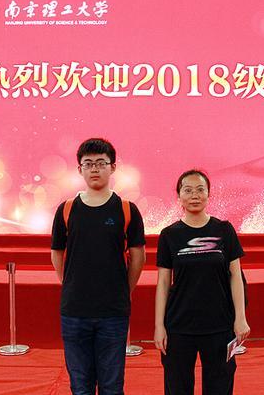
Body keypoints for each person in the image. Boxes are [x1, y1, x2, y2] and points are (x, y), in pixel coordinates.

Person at [51, 138, 146, 395]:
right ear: (79, 169)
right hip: (74, 311)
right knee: (80, 386)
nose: (95, 169)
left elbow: (138, 256)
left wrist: (125, 289)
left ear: (113, 167)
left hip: (113, 311)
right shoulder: (67, 210)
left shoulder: (126, 209)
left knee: (112, 386)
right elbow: (57, 252)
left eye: (101, 163)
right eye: (88, 163)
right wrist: (68, 283)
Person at [154, 169, 250, 395]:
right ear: (179, 197)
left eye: (200, 189)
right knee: (177, 387)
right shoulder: (169, 235)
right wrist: (159, 326)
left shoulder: (224, 230)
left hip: (220, 324)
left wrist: (240, 318)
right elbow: (163, 283)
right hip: (179, 325)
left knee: (220, 386)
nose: (194, 195)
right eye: (187, 190)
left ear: (209, 194)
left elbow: (236, 276)